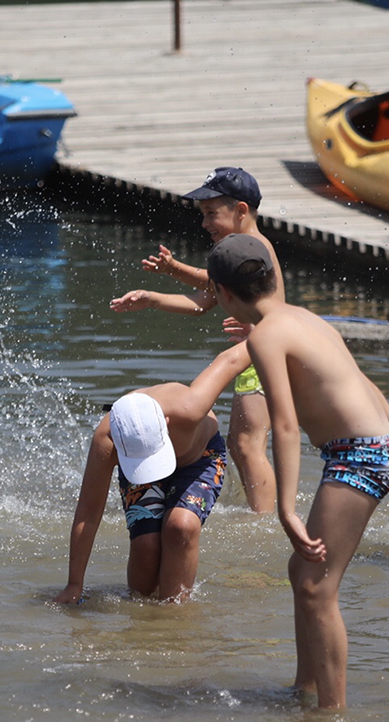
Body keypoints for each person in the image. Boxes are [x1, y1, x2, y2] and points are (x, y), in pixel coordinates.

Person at [207, 234, 389, 709]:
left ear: (222, 293)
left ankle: (330, 717)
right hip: (373, 446)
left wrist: (285, 509)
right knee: (300, 572)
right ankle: (303, 689)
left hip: (358, 454)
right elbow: (361, 383)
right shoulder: (303, 318)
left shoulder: (266, 336)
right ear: (269, 277)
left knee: (316, 587)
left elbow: (282, 424)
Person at [109, 167, 279, 515]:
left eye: (212, 214)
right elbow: (204, 302)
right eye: (203, 215)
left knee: (248, 444)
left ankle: (265, 522)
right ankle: (260, 511)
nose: (204, 224)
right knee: (240, 443)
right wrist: (153, 298)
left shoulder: (253, 247)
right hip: (255, 354)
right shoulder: (239, 249)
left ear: (241, 210)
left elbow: (275, 305)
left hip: (264, 353)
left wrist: (174, 269)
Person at [53, 340, 252, 604]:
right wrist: (74, 584)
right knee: (146, 550)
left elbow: (232, 359)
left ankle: (175, 616)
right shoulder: (107, 440)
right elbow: (88, 515)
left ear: (166, 423)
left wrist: (263, 328)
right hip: (133, 457)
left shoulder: (189, 406)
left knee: (180, 527)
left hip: (200, 459)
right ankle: (146, 622)